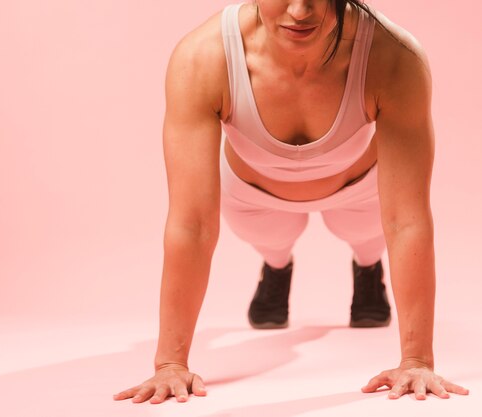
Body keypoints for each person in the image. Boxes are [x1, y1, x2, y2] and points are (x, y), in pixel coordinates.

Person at [113, 0, 470, 404]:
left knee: (365, 235)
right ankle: (276, 266)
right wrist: (170, 364)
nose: (300, 11)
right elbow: (192, 225)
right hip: (255, 196)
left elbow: (406, 221)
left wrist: (417, 360)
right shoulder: (203, 57)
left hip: (358, 188)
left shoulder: (392, 56)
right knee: (272, 239)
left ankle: (368, 269)